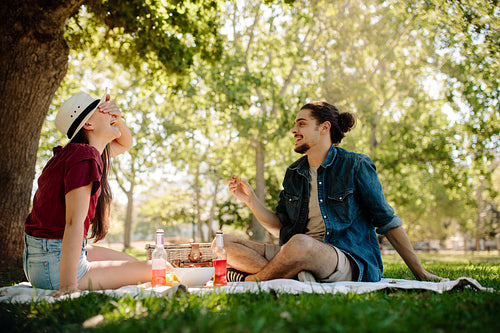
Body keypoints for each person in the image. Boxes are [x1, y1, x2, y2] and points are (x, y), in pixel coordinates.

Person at [226, 101, 442, 283]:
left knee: (300, 244)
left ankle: (250, 281)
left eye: (301, 124)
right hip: (294, 250)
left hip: (345, 257)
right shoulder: (294, 172)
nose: (294, 131)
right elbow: (280, 228)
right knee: (222, 244)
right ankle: (293, 274)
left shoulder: (356, 165)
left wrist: (420, 273)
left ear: (324, 127)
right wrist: (250, 200)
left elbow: (388, 222)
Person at [23, 90, 172, 295]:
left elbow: (125, 143)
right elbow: (73, 222)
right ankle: (67, 280)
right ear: (88, 125)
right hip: (55, 267)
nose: (112, 115)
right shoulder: (84, 157)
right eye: (104, 110)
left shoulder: (75, 153)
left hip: (41, 262)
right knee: (160, 268)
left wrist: (118, 119)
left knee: (135, 262)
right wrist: (68, 287)